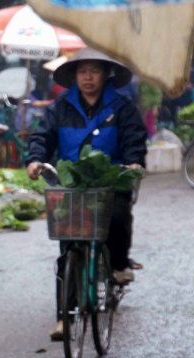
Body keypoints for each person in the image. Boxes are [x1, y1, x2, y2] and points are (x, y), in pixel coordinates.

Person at [26, 48, 147, 340]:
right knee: (67, 248)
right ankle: (63, 318)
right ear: (75, 76)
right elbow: (42, 136)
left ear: (106, 75)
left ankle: (118, 264)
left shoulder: (121, 106)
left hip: (110, 179)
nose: (88, 77)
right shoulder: (60, 107)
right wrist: (34, 159)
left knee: (118, 214)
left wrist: (134, 163)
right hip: (71, 182)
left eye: (94, 71)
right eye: (83, 72)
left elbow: (134, 139)